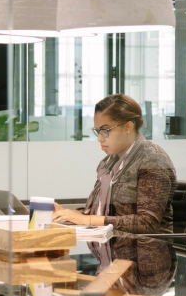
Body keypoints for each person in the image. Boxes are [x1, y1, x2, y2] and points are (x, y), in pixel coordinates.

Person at [53, 94, 176, 233]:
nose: (100, 138)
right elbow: (103, 212)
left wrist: (88, 220)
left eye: (105, 131)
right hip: (111, 249)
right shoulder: (109, 163)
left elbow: (147, 223)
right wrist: (66, 213)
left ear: (128, 127)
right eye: (98, 131)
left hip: (138, 253)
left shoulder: (152, 159)